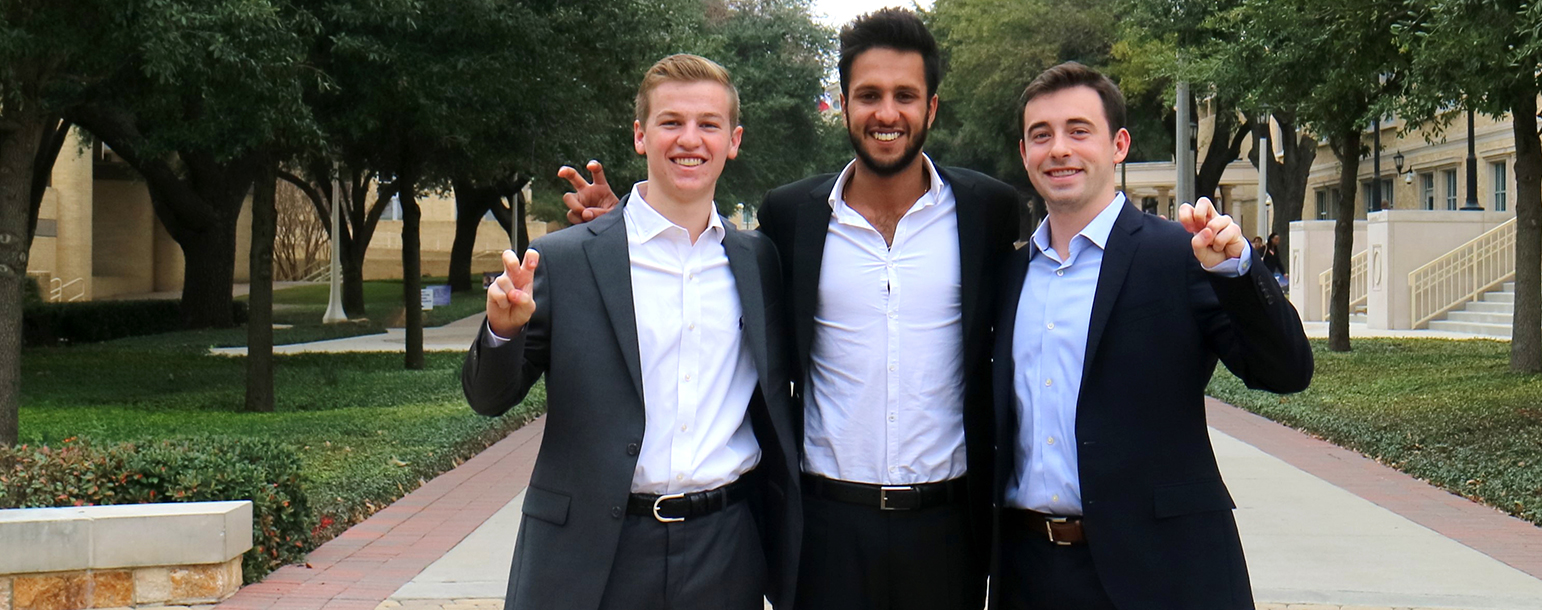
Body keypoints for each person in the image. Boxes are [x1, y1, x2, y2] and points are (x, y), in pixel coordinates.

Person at [557, 10, 1022, 609]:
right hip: (824, 527)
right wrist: (617, 226)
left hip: (948, 528)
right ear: (845, 104)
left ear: (931, 108)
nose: (886, 113)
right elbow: (696, 247)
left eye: (905, 95)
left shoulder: (986, 210)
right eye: (868, 95)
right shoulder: (792, 217)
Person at [461, 54, 801, 610]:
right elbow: (490, 398)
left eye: (708, 124)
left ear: (733, 140)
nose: (689, 139)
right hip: (595, 551)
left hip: (726, 548)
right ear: (641, 135)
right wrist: (502, 330)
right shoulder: (564, 261)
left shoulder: (758, 260)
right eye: (671, 122)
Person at [991, 61, 1313, 610]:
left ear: (1118, 145)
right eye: (1041, 135)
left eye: (1078, 130)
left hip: (1165, 574)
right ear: (1025, 154)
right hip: (1030, 573)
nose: (1059, 149)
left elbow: (1284, 371)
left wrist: (1237, 271)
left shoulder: (1179, 255)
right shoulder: (1007, 277)